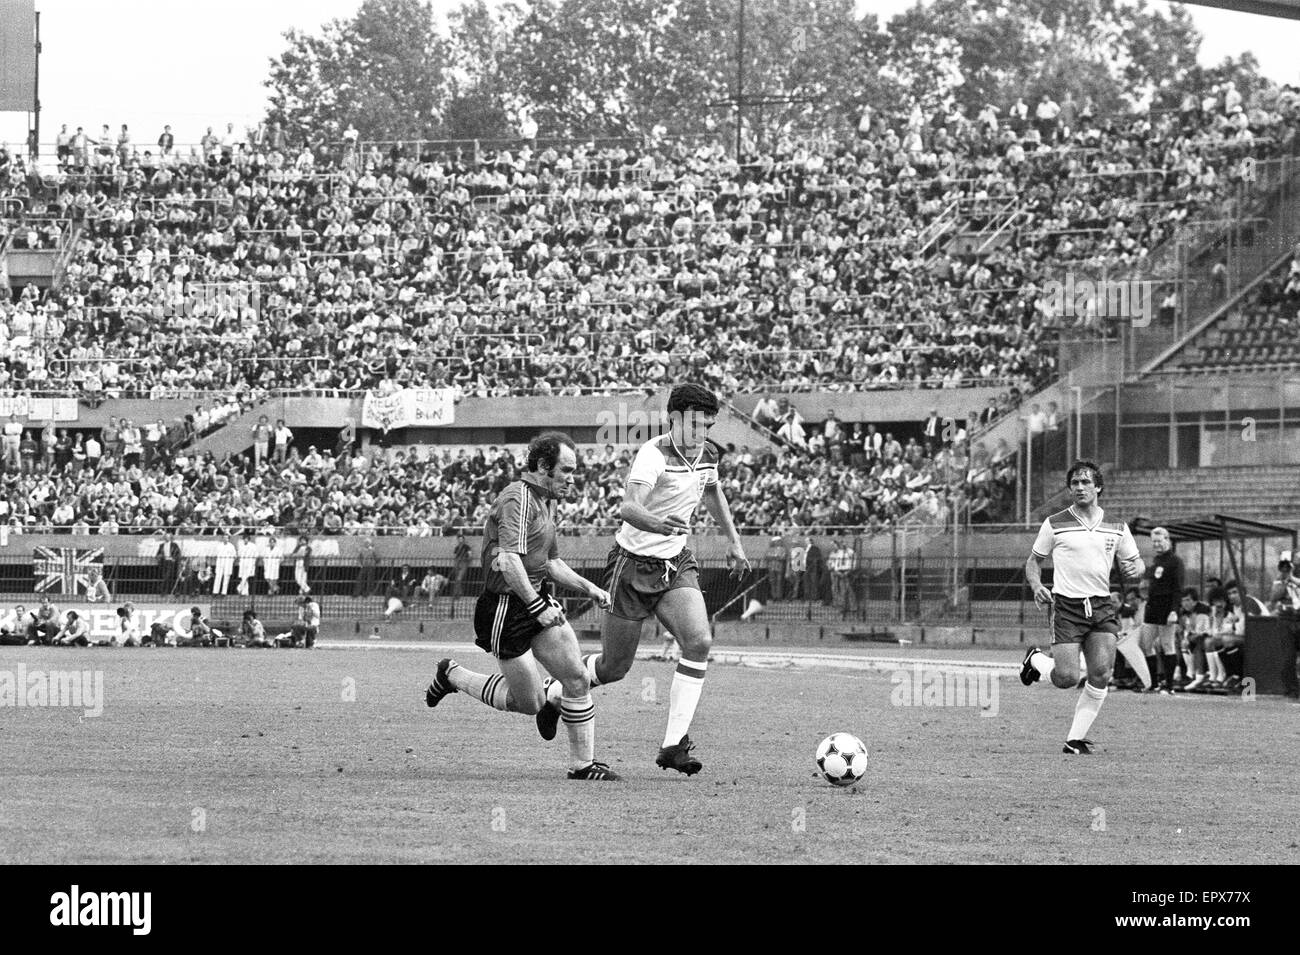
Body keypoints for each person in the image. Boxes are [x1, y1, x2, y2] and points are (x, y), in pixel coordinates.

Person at [424, 431, 620, 781]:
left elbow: (552, 562)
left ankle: (583, 766)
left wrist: (589, 587)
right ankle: (452, 675)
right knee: (529, 705)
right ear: (544, 466)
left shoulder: (546, 501)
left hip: (535, 600)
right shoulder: (517, 498)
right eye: (567, 470)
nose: (572, 479)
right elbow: (508, 560)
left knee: (576, 678)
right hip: (505, 607)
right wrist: (536, 607)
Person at [582, 384, 749, 775]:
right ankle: (557, 693)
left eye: (708, 425)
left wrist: (735, 542)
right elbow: (627, 507)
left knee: (699, 640)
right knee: (613, 668)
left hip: (675, 564)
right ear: (673, 418)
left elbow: (713, 492)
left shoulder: (707, 453)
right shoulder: (653, 454)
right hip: (631, 565)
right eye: (695, 424)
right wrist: (658, 524)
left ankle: (673, 745)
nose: (701, 433)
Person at [1019, 461, 1145, 754]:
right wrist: (1038, 586)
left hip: (1101, 605)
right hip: (1066, 606)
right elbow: (1033, 561)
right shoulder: (1055, 523)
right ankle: (1036, 660)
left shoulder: (1117, 527)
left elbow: (1136, 562)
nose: (1079, 488)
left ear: (1098, 487)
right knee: (1067, 678)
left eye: (1085, 482)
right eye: (1074, 483)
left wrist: (1135, 570)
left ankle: (1074, 740)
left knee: (1101, 672)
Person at [1139, 526, 1184, 694]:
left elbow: (1178, 588)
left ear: (1167, 540)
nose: (1157, 544)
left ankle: (1170, 685)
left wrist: (1174, 610)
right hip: (1152, 608)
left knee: (1167, 645)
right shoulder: (1156, 561)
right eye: (1154, 541)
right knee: (1147, 644)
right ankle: (1153, 683)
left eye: (1160, 541)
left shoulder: (1175, 561)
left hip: (1167, 608)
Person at [263, 529, 283, 595]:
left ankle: (271, 591)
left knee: (273, 579)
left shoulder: (278, 549)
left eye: (273, 542)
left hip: (274, 566)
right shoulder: (266, 549)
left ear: (275, 543)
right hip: (267, 565)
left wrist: (277, 563)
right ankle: (275, 588)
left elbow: (281, 558)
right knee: (267, 578)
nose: (272, 543)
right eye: (270, 542)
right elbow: (264, 556)